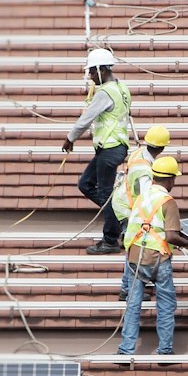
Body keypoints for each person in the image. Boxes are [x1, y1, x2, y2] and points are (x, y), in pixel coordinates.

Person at [118, 156, 188, 357]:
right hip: (158, 259)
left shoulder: (142, 197)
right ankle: (165, 349)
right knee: (166, 306)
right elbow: (171, 235)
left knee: (132, 307)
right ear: (170, 180)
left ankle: (126, 350)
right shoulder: (168, 201)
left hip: (135, 258)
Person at [60, 48, 131, 255]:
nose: (90, 76)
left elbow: (86, 119)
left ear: (101, 69)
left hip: (110, 148)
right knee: (86, 184)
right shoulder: (122, 87)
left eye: (92, 72)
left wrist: (70, 139)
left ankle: (110, 240)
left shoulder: (105, 92)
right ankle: (122, 217)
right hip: (112, 147)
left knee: (105, 194)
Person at [112, 124, 171, 301]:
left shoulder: (139, 154)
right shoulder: (145, 171)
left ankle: (127, 287)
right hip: (128, 208)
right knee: (133, 245)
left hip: (124, 202)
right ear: (162, 147)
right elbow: (147, 198)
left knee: (133, 245)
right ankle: (127, 288)